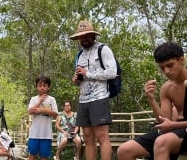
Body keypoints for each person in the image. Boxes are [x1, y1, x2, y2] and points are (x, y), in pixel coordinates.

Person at [117, 41, 187, 160]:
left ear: (181, 60)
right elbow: (164, 121)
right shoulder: (166, 88)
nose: (166, 71)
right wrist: (151, 98)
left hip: (181, 130)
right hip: (177, 131)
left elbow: (171, 124)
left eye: (170, 65)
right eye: (162, 68)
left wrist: (174, 124)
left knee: (161, 142)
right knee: (124, 150)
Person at [70, 20, 117, 160]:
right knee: (88, 137)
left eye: (87, 35)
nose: (84, 38)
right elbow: (81, 77)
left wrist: (88, 73)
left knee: (102, 136)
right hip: (84, 100)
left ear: (93, 35)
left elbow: (112, 73)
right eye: (81, 36)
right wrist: (77, 80)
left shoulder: (103, 49)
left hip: (99, 97)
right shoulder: (79, 55)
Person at [28, 75, 58, 160]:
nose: (42, 88)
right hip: (34, 133)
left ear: (48, 87)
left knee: (44, 156)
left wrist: (42, 110)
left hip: (46, 134)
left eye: (44, 86)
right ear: (36, 87)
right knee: (32, 154)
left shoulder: (52, 99)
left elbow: (55, 113)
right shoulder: (33, 99)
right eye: (40, 86)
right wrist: (40, 101)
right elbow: (30, 111)